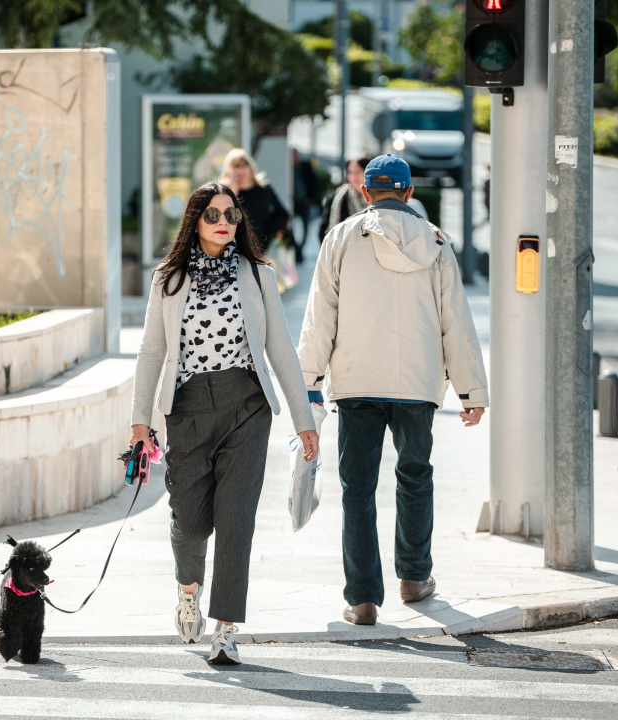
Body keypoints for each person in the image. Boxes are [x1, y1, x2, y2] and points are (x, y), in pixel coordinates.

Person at [130, 182, 319, 665]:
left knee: (236, 522)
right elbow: (152, 351)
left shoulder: (257, 274)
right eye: (212, 213)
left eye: (231, 214)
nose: (223, 221)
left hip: (246, 407)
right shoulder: (167, 279)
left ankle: (225, 629)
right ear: (195, 219)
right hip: (187, 408)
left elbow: (280, 347)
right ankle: (188, 591)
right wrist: (139, 421)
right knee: (190, 523)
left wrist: (303, 420)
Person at [297, 155, 489, 626]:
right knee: (415, 477)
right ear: (407, 193)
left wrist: (308, 383)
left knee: (357, 488)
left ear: (365, 193)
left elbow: (320, 317)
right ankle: (414, 579)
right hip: (418, 385)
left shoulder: (341, 238)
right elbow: (455, 323)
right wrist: (471, 391)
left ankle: (363, 599)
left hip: (358, 380)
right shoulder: (437, 242)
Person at [221, 148, 291, 253]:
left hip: (265, 248)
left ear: (251, 167)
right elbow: (223, 219)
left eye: (244, 165)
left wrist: (277, 231)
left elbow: (282, 213)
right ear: (229, 170)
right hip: (236, 249)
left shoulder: (264, 188)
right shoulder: (225, 191)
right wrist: (233, 194)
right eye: (236, 166)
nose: (241, 170)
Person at [317, 156, 370, 242]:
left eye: (358, 171)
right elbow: (323, 231)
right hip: (343, 251)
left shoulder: (376, 198)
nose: (354, 176)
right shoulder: (338, 198)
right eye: (350, 172)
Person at [292, 149, 320, 261]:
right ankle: (296, 249)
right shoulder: (288, 168)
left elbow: (314, 183)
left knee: (305, 227)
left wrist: (311, 199)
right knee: (293, 227)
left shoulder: (305, 166)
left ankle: (300, 250)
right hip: (293, 202)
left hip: (304, 202)